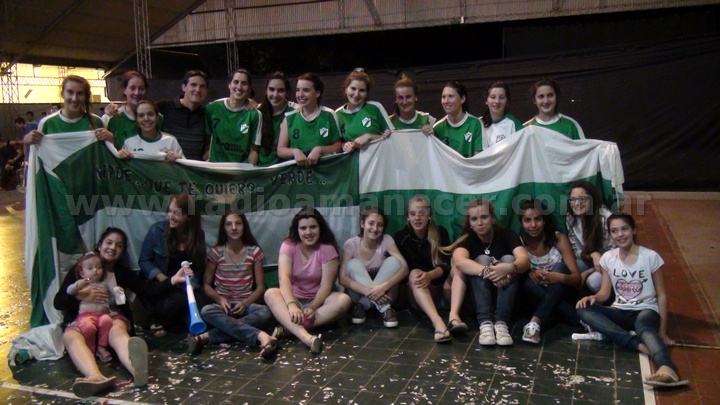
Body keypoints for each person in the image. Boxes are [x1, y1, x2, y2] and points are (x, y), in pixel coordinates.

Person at [54, 227, 187, 397]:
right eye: (109, 243)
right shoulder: (82, 267)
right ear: (99, 245)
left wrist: (172, 280)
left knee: (117, 329)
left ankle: (138, 370)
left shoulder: (123, 273)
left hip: (111, 319)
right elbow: (58, 302)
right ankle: (94, 377)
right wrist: (79, 296)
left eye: (119, 245)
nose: (113, 248)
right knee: (70, 336)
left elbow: (148, 290)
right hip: (83, 320)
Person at [576, 213, 689, 388]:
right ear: (610, 235)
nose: (620, 234)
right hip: (620, 310)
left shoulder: (650, 257)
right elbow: (605, 293)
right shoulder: (608, 258)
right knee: (583, 310)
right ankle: (637, 344)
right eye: (614, 231)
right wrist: (592, 298)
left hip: (646, 310)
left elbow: (661, 295)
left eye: (625, 229)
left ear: (634, 230)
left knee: (644, 327)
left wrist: (663, 331)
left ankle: (667, 368)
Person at [188, 211, 277, 358]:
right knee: (206, 311)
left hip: (245, 305)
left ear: (244, 226)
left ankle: (206, 337)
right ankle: (260, 335)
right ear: (224, 228)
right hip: (223, 307)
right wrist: (220, 299)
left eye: (238, 223)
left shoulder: (254, 252)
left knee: (265, 312)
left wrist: (246, 303)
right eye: (229, 224)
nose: (234, 228)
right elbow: (206, 285)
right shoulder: (216, 252)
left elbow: (261, 286)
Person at [264, 208, 351, 353]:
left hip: (319, 303)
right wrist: (292, 305)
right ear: (297, 230)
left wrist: (313, 307)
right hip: (293, 299)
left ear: (320, 228)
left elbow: (326, 285)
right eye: (303, 228)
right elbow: (283, 278)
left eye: (313, 227)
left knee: (344, 300)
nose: (308, 232)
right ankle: (307, 338)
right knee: (270, 293)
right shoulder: (288, 245)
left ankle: (287, 329)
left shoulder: (328, 249)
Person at [446, 199, 530, 346]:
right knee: (482, 260)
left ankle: (501, 323)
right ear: (470, 223)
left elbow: (524, 259)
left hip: (505, 298)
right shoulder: (468, 239)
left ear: (492, 218)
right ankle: (485, 323)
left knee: (509, 259)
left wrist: (509, 268)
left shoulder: (506, 234)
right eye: (474, 219)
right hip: (479, 300)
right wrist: (489, 271)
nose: (480, 223)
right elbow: (459, 261)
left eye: (484, 217)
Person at [139, 192, 207, 335]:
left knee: (201, 309)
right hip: (160, 286)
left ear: (189, 216)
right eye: (170, 211)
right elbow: (144, 260)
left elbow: (199, 267)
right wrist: (164, 279)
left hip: (184, 286)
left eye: (177, 213)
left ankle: (198, 336)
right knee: (176, 301)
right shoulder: (157, 230)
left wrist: (191, 283)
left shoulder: (198, 235)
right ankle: (156, 320)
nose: (171, 216)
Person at [518, 200, 581, 344]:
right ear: (521, 223)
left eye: (538, 219)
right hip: (534, 297)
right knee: (526, 278)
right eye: (527, 220)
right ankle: (573, 316)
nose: (533, 225)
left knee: (560, 266)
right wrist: (529, 271)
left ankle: (535, 322)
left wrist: (559, 278)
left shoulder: (558, 238)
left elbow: (577, 279)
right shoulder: (519, 242)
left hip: (562, 291)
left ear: (544, 220)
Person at [393, 196, 452, 342]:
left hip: (438, 289)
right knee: (414, 273)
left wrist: (430, 275)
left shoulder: (440, 233)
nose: (417, 218)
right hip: (416, 292)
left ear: (429, 215)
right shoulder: (401, 237)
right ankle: (437, 321)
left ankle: (447, 315)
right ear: (407, 216)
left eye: (422, 213)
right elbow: (400, 270)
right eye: (413, 214)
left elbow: (445, 265)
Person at [339, 208, 408, 328]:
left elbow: (405, 268)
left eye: (380, 225)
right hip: (359, 295)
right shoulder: (351, 244)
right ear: (362, 223)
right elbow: (342, 279)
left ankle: (363, 305)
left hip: (386, 293)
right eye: (371, 223)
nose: (375, 229)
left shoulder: (386, 240)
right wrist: (369, 292)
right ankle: (385, 308)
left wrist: (383, 288)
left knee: (394, 261)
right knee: (352, 264)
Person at [24, 75, 113, 146]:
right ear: (62, 94)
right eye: (70, 92)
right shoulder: (47, 123)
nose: (74, 99)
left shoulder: (96, 122)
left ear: (86, 96)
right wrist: (27, 140)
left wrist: (111, 139)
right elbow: (38, 154)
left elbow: (106, 154)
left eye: (80, 93)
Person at [276, 73, 342, 167]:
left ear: (317, 93)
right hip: (299, 172)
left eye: (306, 90)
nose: (300, 94)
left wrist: (320, 150)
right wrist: (295, 151)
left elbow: (338, 147)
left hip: (325, 172)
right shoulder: (289, 118)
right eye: (298, 90)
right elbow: (280, 150)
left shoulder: (329, 115)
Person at [566, 181, 616, 293]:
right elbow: (575, 249)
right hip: (589, 259)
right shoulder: (571, 217)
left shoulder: (606, 219)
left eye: (582, 199)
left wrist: (590, 271)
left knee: (593, 282)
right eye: (572, 199)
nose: (577, 203)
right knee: (570, 268)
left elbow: (616, 254)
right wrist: (592, 254)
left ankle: (609, 299)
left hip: (611, 264)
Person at [65, 252, 116, 362]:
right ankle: (90, 349)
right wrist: (78, 285)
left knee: (107, 321)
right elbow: (69, 291)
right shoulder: (83, 284)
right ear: (82, 273)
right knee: (88, 327)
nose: (95, 270)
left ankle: (101, 347)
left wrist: (118, 294)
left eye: (99, 267)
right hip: (86, 315)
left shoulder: (104, 285)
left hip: (102, 314)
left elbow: (111, 300)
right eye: (90, 268)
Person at [206, 69, 262, 164]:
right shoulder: (212, 108)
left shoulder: (255, 115)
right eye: (236, 82)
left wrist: (250, 170)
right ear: (229, 85)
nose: (239, 87)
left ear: (249, 88)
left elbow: (254, 150)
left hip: (240, 170)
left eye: (244, 83)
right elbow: (206, 135)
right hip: (215, 168)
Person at [335, 69, 393, 152]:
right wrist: (344, 145)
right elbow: (335, 145)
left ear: (367, 94)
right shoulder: (337, 114)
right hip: (352, 160)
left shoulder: (375, 107)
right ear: (345, 89)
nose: (356, 94)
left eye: (361, 90)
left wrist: (370, 137)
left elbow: (393, 138)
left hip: (377, 159)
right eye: (353, 89)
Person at [157, 70, 210, 160]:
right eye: (193, 85)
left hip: (193, 168)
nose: (198, 90)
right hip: (166, 166)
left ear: (206, 91)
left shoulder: (207, 115)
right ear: (184, 87)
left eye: (202, 86)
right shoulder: (163, 107)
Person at [117, 100, 184, 161]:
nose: (146, 119)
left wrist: (179, 158)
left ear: (157, 116)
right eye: (141, 115)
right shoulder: (129, 143)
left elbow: (184, 167)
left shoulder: (171, 141)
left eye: (150, 114)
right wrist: (119, 155)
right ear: (136, 119)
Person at [431, 81, 483, 157]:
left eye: (451, 96)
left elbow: (479, 158)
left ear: (462, 99)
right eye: (443, 97)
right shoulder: (437, 128)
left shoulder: (475, 124)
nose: (446, 101)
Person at [102, 70, 152, 149]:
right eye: (132, 88)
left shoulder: (156, 119)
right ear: (124, 89)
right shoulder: (110, 118)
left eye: (141, 88)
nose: (137, 93)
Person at [257, 72, 296, 167]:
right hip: (261, 170)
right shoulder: (257, 112)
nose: (275, 94)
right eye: (271, 89)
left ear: (287, 93)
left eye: (280, 90)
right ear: (265, 90)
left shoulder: (295, 112)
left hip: (285, 170)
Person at [479, 81, 523, 149]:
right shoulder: (478, 124)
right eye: (493, 97)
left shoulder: (514, 124)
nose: (497, 101)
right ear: (486, 100)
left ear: (507, 101)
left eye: (501, 98)